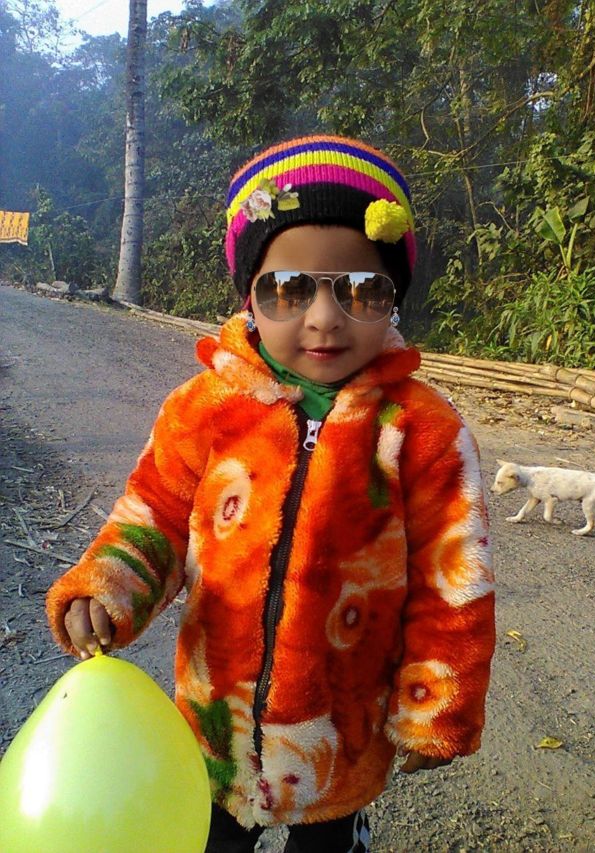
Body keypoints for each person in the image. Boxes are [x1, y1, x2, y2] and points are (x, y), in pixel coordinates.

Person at [46, 135, 495, 853]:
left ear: (393, 298)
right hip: (213, 725)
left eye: (362, 290)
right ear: (249, 296)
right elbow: (155, 514)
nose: (323, 317)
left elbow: (454, 580)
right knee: (207, 838)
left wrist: (438, 700)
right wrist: (108, 586)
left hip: (340, 734)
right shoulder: (204, 408)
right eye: (289, 289)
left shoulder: (422, 432)